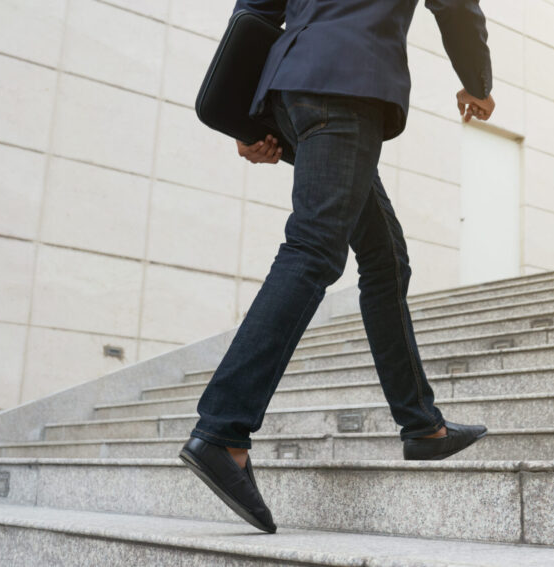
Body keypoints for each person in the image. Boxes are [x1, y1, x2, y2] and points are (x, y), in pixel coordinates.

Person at [179, 0, 496, 534]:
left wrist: (244, 115)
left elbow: (253, 10)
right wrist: (478, 83)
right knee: (313, 250)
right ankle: (222, 432)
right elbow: (455, 5)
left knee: (385, 260)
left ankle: (423, 427)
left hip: (292, 89)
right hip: (347, 86)